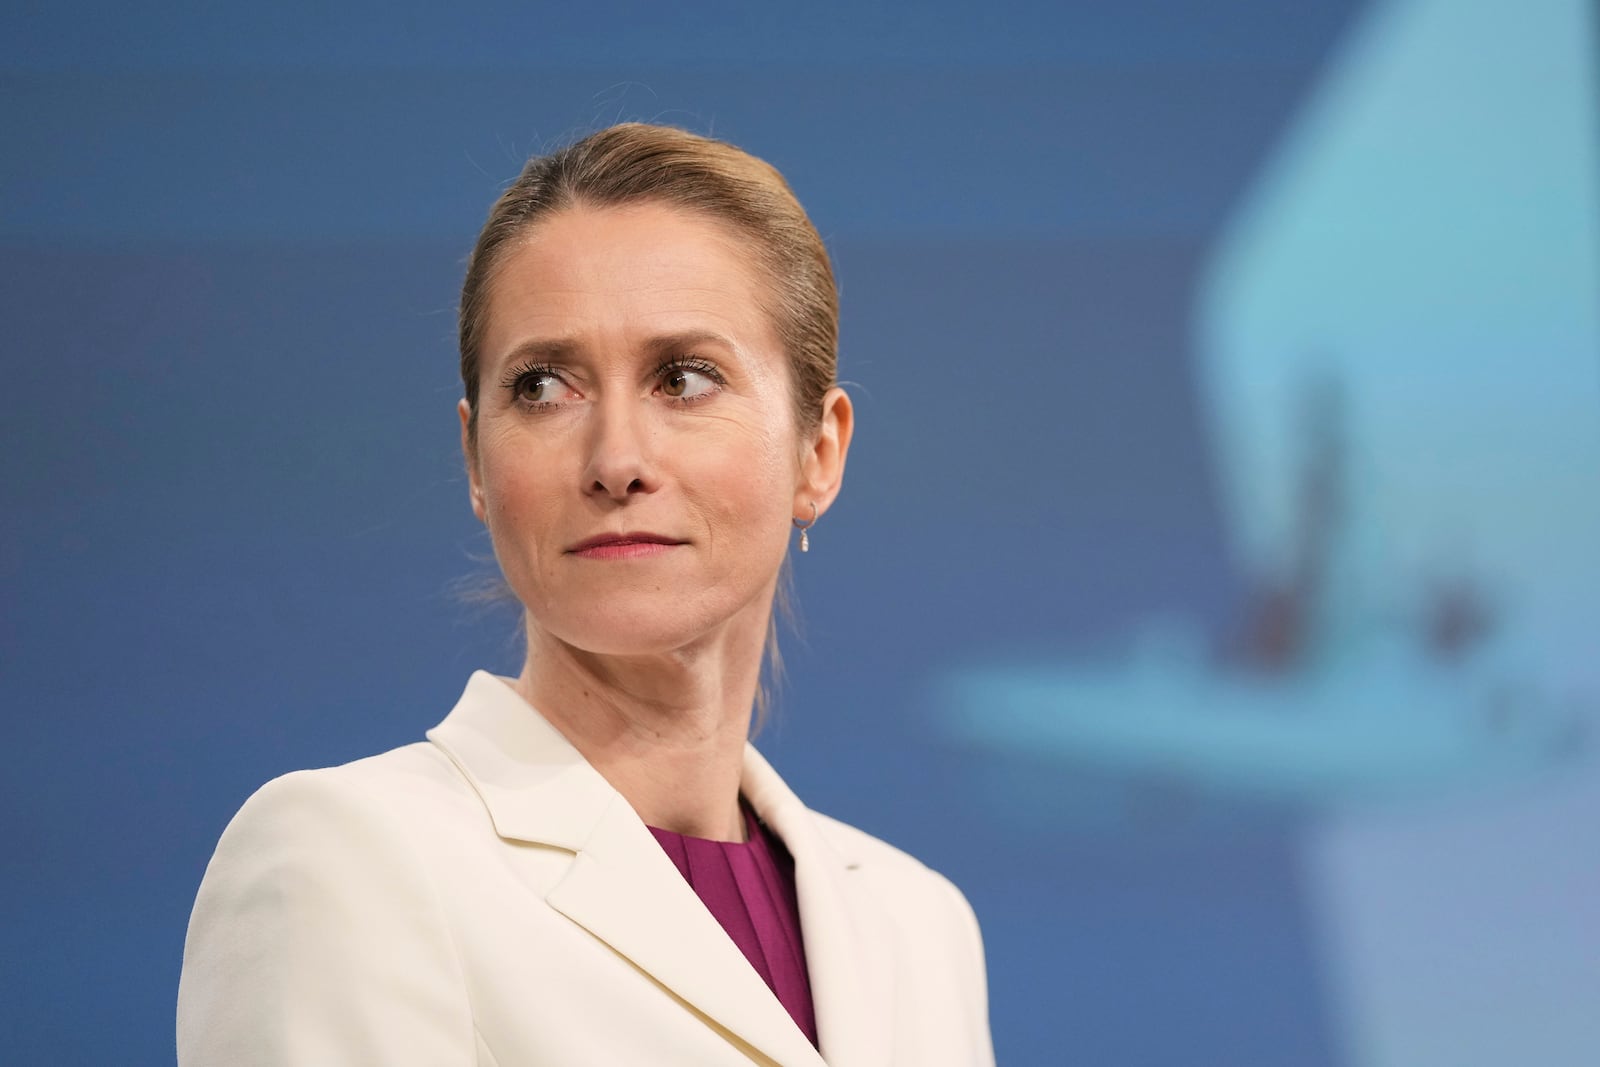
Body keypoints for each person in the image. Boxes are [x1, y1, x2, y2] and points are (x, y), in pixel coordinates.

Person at [177, 123, 995, 1066]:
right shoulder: (348, 859)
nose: (615, 461)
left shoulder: (917, 925)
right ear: (475, 461)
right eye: (543, 387)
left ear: (819, 452)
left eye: (684, 379)